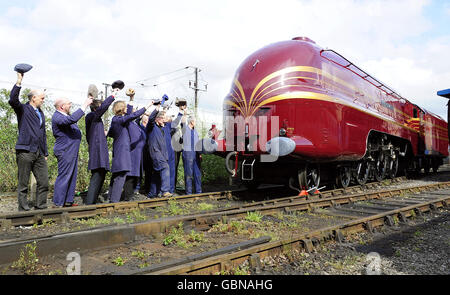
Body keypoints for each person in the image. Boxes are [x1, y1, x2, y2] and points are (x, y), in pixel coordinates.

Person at [8, 72, 49, 211]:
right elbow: (13, 100)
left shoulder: (41, 113)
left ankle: (41, 207)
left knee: (44, 182)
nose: (43, 100)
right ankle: (23, 211)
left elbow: (42, 134)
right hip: (25, 151)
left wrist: (45, 153)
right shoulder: (23, 109)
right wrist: (19, 81)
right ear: (33, 98)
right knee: (23, 183)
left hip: (39, 153)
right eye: (42, 98)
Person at [107, 100, 154, 203]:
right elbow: (133, 115)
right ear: (122, 109)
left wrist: (132, 99)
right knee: (121, 175)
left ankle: (110, 198)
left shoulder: (117, 121)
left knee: (116, 175)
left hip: (119, 150)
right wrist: (147, 105)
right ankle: (114, 202)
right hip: (122, 152)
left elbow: (110, 133)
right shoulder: (119, 120)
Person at [52, 96, 93, 207]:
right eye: (69, 104)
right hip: (65, 151)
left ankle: (68, 201)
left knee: (72, 176)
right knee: (64, 176)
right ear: (62, 106)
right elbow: (71, 120)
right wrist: (85, 105)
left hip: (71, 151)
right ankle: (58, 203)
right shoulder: (57, 117)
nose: (70, 105)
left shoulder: (65, 116)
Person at [84, 91, 116, 205]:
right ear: (96, 109)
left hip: (98, 151)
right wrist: (113, 95)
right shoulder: (93, 116)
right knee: (97, 176)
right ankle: (89, 204)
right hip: (97, 152)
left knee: (101, 175)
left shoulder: (94, 119)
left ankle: (92, 202)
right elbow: (103, 108)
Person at [147, 110, 172, 198]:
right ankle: (165, 191)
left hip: (162, 154)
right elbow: (151, 119)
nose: (164, 120)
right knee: (165, 167)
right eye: (162, 118)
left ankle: (152, 194)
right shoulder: (152, 127)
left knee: (157, 174)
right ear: (157, 119)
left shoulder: (163, 128)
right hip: (155, 152)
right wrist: (157, 108)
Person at [182, 116, 202, 195]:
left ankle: (198, 192)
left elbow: (198, 143)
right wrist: (184, 112)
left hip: (196, 154)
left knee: (197, 174)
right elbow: (182, 122)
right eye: (195, 121)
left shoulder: (195, 131)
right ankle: (189, 193)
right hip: (188, 153)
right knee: (189, 173)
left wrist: (200, 154)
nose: (196, 123)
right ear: (192, 122)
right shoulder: (185, 129)